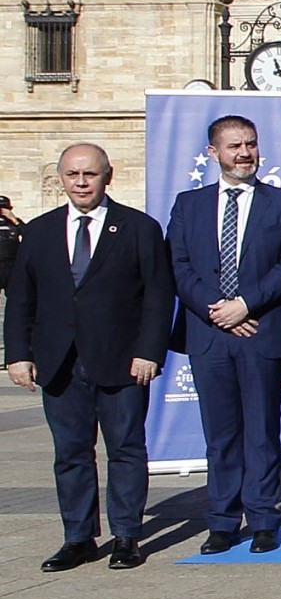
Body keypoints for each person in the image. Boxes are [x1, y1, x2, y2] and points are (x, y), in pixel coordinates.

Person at [4, 144, 172, 571]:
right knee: (71, 453)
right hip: (60, 363)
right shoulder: (39, 232)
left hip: (122, 362)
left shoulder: (138, 228)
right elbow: (22, 298)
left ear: (108, 176)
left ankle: (127, 536)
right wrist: (18, 355)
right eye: (73, 174)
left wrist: (148, 351)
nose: (81, 182)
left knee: (126, 450)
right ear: (60, 178)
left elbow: (157, 295)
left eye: (90, 174)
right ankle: (77, 537)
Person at [170, 115, 281, 555]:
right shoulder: (188, 204)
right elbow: (179, 265)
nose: (244, 153)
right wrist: (218, 310)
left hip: (262, 328)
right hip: (209, 333)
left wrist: (245, 304)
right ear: (214, 153)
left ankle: (264, 518)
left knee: (262, 429)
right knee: (221, 433)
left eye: (250, 144)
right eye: (234, 146)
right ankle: (223, 521)